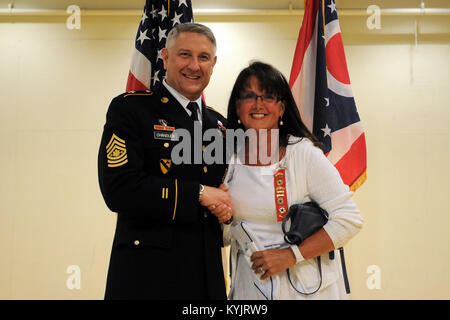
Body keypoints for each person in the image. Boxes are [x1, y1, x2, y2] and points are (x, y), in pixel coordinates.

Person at [98, 23, 233, 300]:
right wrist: (198, 193)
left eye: (204, 57)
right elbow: (119, 189)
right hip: (147, 278)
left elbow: (226, 194)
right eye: (185, 55)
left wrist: (227, 208)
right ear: (165, 57)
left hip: (206, 278)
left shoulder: (220, 125)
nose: (194, 66)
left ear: (214, 63)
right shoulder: (132, 110)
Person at [210, 61, 363, 299]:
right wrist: (225, 218)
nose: (258, 104)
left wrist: (291, 255)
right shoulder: (227, 158)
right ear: (238, 106)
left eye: (268, 96)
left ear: (281, 108)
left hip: (307, 289)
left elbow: (349, 220)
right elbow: (227, 237)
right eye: (249, 96)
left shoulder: (302, 153)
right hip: (251, 288)